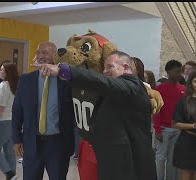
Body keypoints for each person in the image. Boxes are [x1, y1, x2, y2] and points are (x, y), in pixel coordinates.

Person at [33, 50, 156, 180]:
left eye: (110, 67)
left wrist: (63, 70)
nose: (104, 71)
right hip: (114, 162)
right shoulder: (117, 89)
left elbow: (101, 82)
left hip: (130, 166)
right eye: (104, 67)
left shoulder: (132, 85)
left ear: (125, 68)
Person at [12, 41, 75, 180]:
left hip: (58, 144)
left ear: (55, 55)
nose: (40, 56)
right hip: (32, 143)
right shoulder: (26, 80)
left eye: (45, 52)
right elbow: (17, 111)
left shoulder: (66, 81)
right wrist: (16, 139)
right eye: (38, 53)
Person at [153, 59, 186, 180]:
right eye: (176, 71)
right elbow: (156, 110)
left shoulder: (183, 89)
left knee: (173, 158)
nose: (179, 74)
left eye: (180, 71)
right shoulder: (160, 89)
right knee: (160, 157)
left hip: (177, 128)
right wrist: (157, 130)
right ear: (168, 71)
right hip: (163, 128)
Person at [0, 62, 19, 180]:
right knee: (9, 152)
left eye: (2, 70)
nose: (0, 72)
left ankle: (9, 173)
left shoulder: (3, 86)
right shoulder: (15, 86)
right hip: (13, 122)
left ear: (8, 73)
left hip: (3, 121)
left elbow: (0, 108)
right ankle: (12, 176)